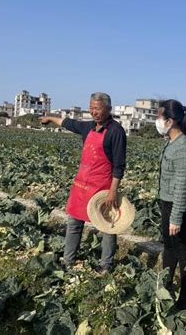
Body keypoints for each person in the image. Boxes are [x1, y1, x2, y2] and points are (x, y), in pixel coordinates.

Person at [39, 92, 127, 274]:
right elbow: (67, 123)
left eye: (98, 108)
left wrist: (112, 191)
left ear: (108, 109)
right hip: (81, 185)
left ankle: (106, 265)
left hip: (102, 187)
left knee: (107, 226)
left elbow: (119, 166)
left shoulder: (116, 131)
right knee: (74, 223)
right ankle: (68, 260)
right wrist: (49, 117)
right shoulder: (88, 127)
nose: (94, 112)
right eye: (91, 108)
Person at [156, 99, 186, 310]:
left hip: (179, 205)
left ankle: (184, 297)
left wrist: (175, 217)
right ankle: (166, 285)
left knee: (182, 250)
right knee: (168, 246)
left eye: (159, 117)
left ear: (170, 121)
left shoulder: (183, 148)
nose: (157, 120)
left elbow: (181, 186)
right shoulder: (172, 142)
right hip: (168, 203)